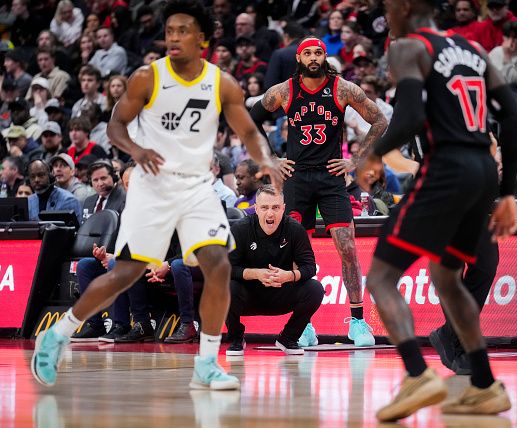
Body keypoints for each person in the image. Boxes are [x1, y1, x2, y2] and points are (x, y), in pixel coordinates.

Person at [31, 0, 281, 390]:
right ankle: (59, 333)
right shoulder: (147, 77)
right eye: (169, 31)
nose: (174, 37)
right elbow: (115, 126)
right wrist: (136, 151)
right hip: (153, 186)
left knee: (218, 265)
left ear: (203, 37)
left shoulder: (222, 82)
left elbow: (249, 132)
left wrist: (267, 159)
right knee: (126, 273)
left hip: (196, 185)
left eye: (183, 30)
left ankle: (206, 364)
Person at [356, 0, 517, 421]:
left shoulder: (409, 45)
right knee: (447, 277)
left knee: (380, 277)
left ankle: (417, 374)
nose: (385, 13)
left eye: (389, 5)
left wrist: (374, 154)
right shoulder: (475, 51)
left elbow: (409, 116)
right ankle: (484, 385)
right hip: (483, 170)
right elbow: (513, 112)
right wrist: (507, 193)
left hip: (446, 168)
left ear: (408, 6)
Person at [251, 36, 388, 346]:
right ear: (299, 58)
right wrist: (271, 158)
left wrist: (356, 159)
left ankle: (357, 321)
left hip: (330, 177)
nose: (314, 57)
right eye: (308, 53)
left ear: (325, 56)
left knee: (348, 248)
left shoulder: (342, 88)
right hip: (297, 177)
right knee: (297, 253)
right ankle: (304, 325)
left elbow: (379, 120)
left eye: (319, 52)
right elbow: (251, 119)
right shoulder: (284, 90)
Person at [225, 185, 324, 355]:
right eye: (264, 208)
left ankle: (288, 338)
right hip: (249, 295)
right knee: (224, 288)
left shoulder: (294, 229)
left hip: (281, 292)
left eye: (276, 208)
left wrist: (289, 276)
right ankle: (235, 338)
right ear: (255, 208)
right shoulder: (240, 229)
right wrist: (255, 273)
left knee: (315, 289)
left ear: (283, 208)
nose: (270, 214)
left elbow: (310, 267)